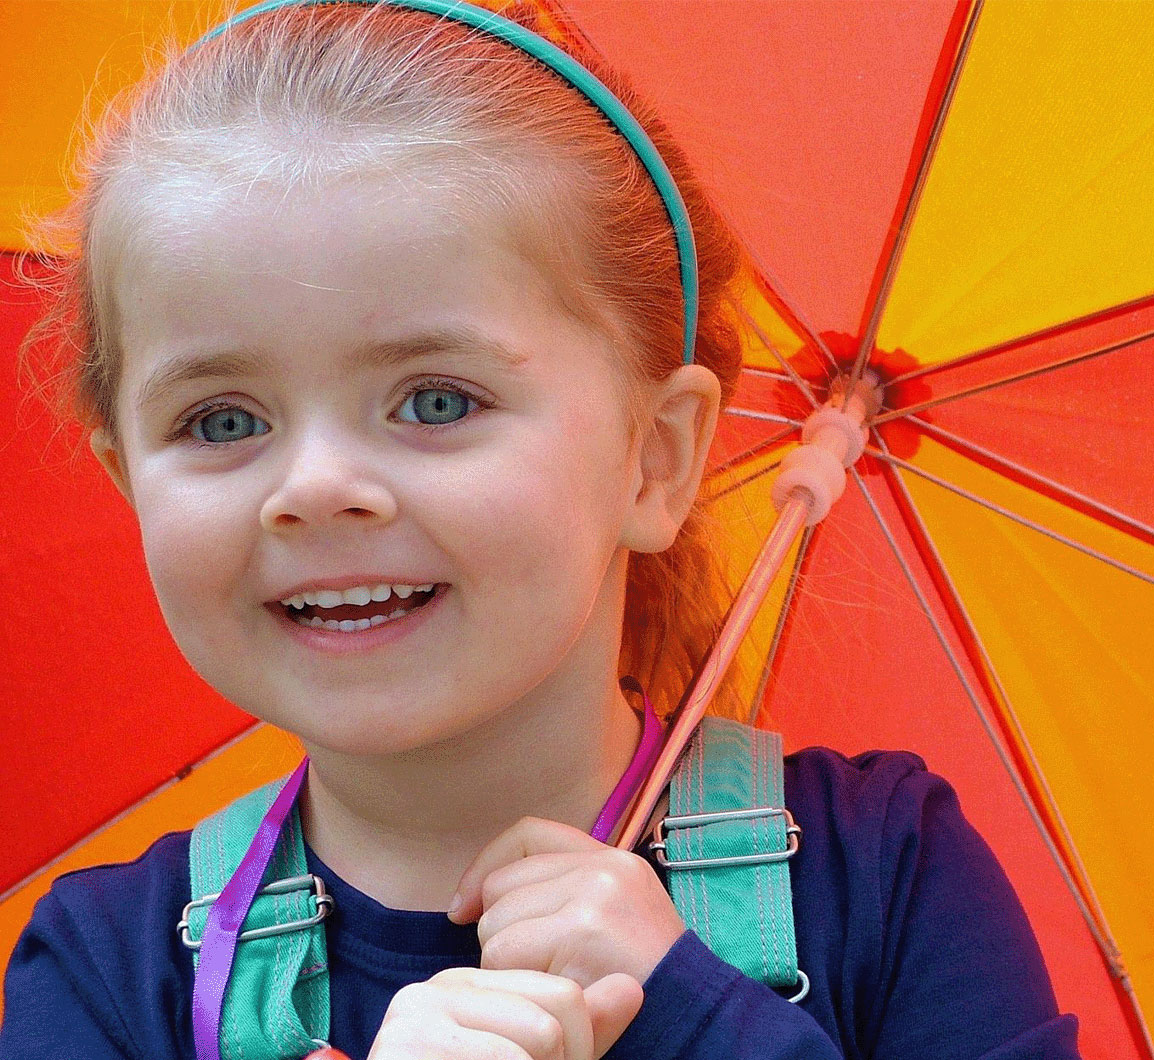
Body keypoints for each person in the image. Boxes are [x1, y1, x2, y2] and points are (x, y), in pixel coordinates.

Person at [0, 2, 1082, 1058]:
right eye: (222, 420)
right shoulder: (106, 972)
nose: (317, 486)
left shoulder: (886, 872)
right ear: (128, 476)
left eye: (435, 400)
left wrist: (692, 1018)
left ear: (652, 457)